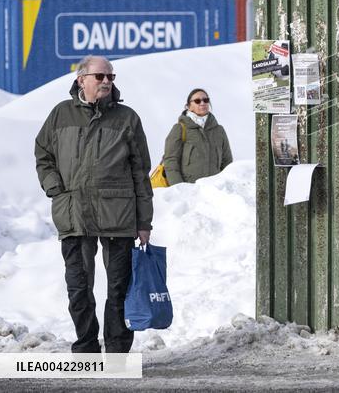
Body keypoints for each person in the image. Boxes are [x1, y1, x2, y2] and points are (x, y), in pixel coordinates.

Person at [34, 55, 153, 353]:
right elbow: (43, 155)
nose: (106, 82)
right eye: (100, 76)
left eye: (110, 77)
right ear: (81, 79)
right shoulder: (60, 115)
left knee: (119, 289)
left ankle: (116, 352)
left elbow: (141, 173)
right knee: (79, 289)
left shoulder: (127, 118)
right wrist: (56, 190)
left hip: (119, 216)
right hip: (74, 214)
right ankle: (86, 348)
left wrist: (144, 222)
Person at [162, 88, 233, 184]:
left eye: (206, 100)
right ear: (189, 106)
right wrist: (179, 189)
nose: (202, 103)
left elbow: (227, 163)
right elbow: (171, 162)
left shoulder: (219, 130)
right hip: (189, 192)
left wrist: (224, 186)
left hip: (215, 192)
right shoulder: (180, 128)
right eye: (197, 101)